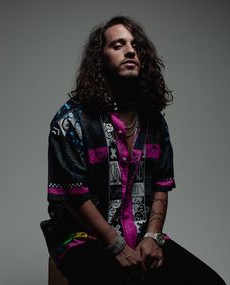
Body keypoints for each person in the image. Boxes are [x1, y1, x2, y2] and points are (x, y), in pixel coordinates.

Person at [41, 16, 226, 285]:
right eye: (118, 45)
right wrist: (115, 244)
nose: (130, 50)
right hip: (81, 238)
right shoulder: (71, 121)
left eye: (135, 45)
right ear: (100, 59)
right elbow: (73, 195)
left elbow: (162, 184)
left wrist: (152, 236)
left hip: (141, 236)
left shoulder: (154, 120)